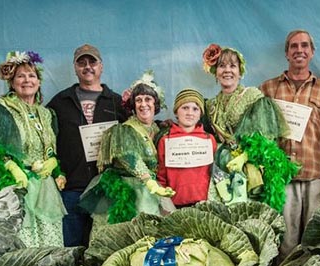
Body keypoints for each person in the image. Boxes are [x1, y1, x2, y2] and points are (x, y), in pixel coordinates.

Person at [260, 29, 320, 258]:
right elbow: (260, 137)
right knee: (285, 241)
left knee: (317, 240)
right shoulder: (267, 89)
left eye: (304, 46)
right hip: (282, 178)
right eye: (294, 46)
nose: (299, 50)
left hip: (318, 176)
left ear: (312, 52)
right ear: (286, 53)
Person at [0, 50, 66, 247]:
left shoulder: (47, 114)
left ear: (38, 81)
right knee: (20, 240)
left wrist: (53, 162)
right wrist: (10, 165)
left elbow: (49, 148)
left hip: (44, 188)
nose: (27, 80)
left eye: (31, 76)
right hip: (13, 184)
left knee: (49, 242)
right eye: (20, 76)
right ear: (11, 82)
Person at [46, 44, 128, 247]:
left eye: (92, 62)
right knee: (72, 247)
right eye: (81, 62)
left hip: (107, 187)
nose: (87, 66)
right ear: (75, 68)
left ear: (101, 67)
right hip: (72, 187)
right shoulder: (59, 102)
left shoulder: (117, 103)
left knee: (105, 247)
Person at [202, 44, 299, 212]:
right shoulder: (210, 105)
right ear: (215, 73)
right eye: (222, 66)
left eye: (232, 66)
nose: (227, 70)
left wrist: (244, 157)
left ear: (240, 72)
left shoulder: (252, 96)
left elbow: (266, 138)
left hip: (250, 167)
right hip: (221, 168)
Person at [80, 71, 175, 226]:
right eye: (138, 100)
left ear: (156, 103)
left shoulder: (158, 129)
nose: (143, 104)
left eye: (148, 99)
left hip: (152, 191)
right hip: (128, 191)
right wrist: (150, 182)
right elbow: (129, 156)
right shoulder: (123, 130)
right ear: (133, 105)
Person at [156, 88, 217, 207]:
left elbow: (214, 174)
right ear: (176, 111)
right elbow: (161, 175)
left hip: (205, 204)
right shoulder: (165, 140)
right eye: (185, 108)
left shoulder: (209, 140)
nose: (190, 113)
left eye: (195, 109)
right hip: (175, 205)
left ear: (200, 114)